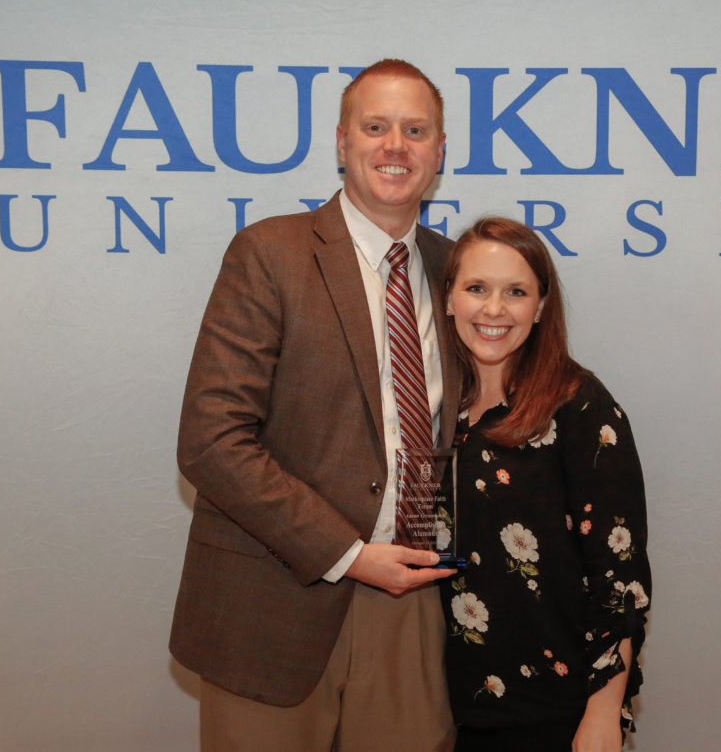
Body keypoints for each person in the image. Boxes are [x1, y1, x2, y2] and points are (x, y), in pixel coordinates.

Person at [171, 59, 462, 751]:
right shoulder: (271, 253)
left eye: (415, 130)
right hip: (275, 603)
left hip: (414, 607)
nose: (396, 145)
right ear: (340, 141)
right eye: (376, 126)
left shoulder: (459, 272)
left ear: (440, 152)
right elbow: (211, 441)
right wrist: (349, 553)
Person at [439, 217, 651, 751]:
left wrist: (603, 714)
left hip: (554, 710)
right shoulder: (435, 407)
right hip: (442, 705)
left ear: (540, 306)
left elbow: (619, 578)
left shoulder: (580, 406)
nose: (493, 309)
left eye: (516, 292)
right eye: (476, 289)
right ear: (447, 300)